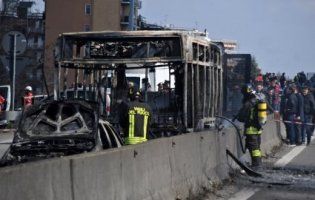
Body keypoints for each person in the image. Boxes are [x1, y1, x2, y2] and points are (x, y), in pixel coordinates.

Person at [236, 84, 264, 168]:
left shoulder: (248, 103)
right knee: (257, 148)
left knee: (254, 149)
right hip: (258, 129)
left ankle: (256, 165)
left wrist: (239, 116)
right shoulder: (257, 100)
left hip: (251, 130)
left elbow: (241, 117)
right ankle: (258, 163)